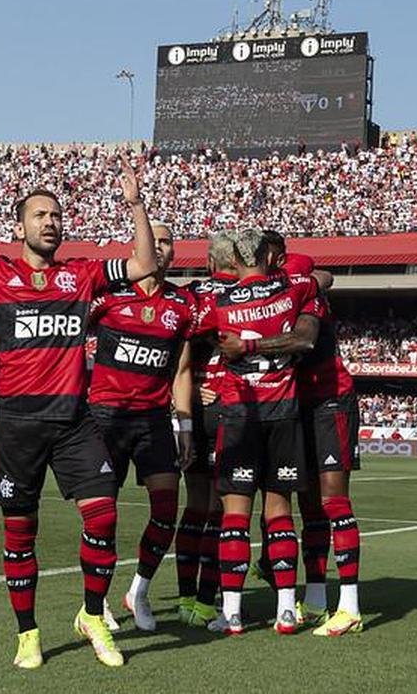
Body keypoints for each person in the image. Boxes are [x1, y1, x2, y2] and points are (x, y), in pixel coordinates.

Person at [0, 150, 157, 670]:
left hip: (74, 422)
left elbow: (145, 264)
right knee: (19, 531)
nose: (50, 223)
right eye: (40, 216)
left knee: (103, 515)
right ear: (21, 226)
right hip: (20, 426)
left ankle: (92, 615)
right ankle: (27, 632)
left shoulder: (83, 276)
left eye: (56, 216)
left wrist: (135, 205)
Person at [201, 228, 323, 636]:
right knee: (279, 512)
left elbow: (188, 330)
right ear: (270, 256)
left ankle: (231, 613)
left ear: (234, 259)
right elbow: (321, 279)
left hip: (238, 415)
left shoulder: (216, 302)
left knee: (234, 516)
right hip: (283, 412)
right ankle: (287, 611)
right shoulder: (293, 288)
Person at [86, 222, 197, 631]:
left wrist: (184, 428)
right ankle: (96, 603)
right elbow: (70, 332)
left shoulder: (183, 306)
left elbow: (182, 371)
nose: (162, 249)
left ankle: (139, 591)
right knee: (103, 516)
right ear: (140, 247)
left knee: (166, 510)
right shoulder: (109, 296)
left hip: (153, 420)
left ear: (174, 253)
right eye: (157, 241)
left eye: (169, 242)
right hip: (106, 417)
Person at [261, 232, 363, 636]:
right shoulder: (268, 293)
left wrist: (248, 348)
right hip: (294, 404)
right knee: (309, 506)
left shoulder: (302, 286)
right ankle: (318, 598)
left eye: (261, 255)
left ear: (277, 258)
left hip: (330, 400)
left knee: (334, 501)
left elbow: (305, 334)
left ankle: (350, 605)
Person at [174, 231, 238, 628]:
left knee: (200, 503)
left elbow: (171, 348)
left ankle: (190, 599)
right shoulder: (250, 295)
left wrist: (191, 384)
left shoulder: (189, 294)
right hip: (225, 410)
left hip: (201, 407)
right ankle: (203, 599)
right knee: (219, 507)